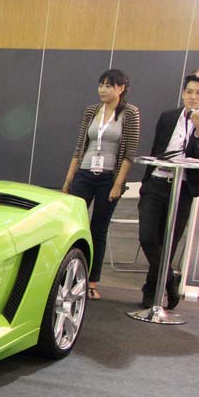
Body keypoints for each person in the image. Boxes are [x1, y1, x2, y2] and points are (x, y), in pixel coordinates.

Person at [61, 68, 141, 301]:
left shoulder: (130, 113)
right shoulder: (92, 111)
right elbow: (80, 146)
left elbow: (129, 153)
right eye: (101, 85)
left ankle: (92, 281)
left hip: (109, 177)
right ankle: (69, 274)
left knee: (99, 228)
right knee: (74, 224)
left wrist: (118, 184)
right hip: (85, 173)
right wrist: (69, 179)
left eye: (109, 85)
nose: (103, 90)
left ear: (121, 88)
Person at [137, 71, 199, 310]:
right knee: (147, 236)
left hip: (183, 189)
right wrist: (145, 183)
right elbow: (157, 149)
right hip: (156, 182)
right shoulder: (168, 116)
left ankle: (151, 290)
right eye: (189, 92)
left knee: (169, 243)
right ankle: (169, 279)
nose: (193, 97)